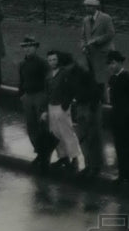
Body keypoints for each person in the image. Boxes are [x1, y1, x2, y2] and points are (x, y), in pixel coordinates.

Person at [42, 50, 82, 175]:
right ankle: (63, 158)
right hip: (51, 106)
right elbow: (46, 93)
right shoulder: (48, 75)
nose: (52, 62)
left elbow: (72, 89)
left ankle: (74, 158)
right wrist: (45, 110)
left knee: (67, 132)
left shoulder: (65, 73)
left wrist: (65, 105)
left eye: (54, 59)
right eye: (50, 60)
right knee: (55, 133)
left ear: (58, 60)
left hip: (62, 107)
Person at [106, 50, 129, 190]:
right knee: (119, 148)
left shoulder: (128, 78)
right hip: (117, 118)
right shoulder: (112, 78)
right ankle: (122, 175)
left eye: (113, 63)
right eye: (109, 64)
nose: (111, 66)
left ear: (120, 63)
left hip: (128, 120)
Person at [17, 35, 49, 167]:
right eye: (25, 47)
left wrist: (46, 100)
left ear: (36, 48)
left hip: (40, 95)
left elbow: (48, 82)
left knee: (42, 126)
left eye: (30, 46)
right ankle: (39, 152)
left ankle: (45, 154)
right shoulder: (22, 64)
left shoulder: (42, 63)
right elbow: (21, 81)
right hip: (27, 97)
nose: (27, 49)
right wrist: (21, 95)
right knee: (31, 127)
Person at [69, 60, 104, 179]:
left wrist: (92, 111)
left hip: (89, 107)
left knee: (92, 138)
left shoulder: (86, 76)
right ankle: (89, 165)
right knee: (83, 138)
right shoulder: (72, 76)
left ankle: (95, 166)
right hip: (80, 106)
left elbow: (97, 93)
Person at [80, 0, 115, 94]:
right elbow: (83, 36)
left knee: (103, 78)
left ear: (95, 7)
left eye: (88, 6)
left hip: (103, 53)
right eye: (85, 6)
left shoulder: (105, 18)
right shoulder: (85, 20)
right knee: (91, 77)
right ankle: (95, 97)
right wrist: (83, 46)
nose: (86, 8)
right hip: (90, 54)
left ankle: (106, 99)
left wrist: (96, 40)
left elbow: (110, 34)